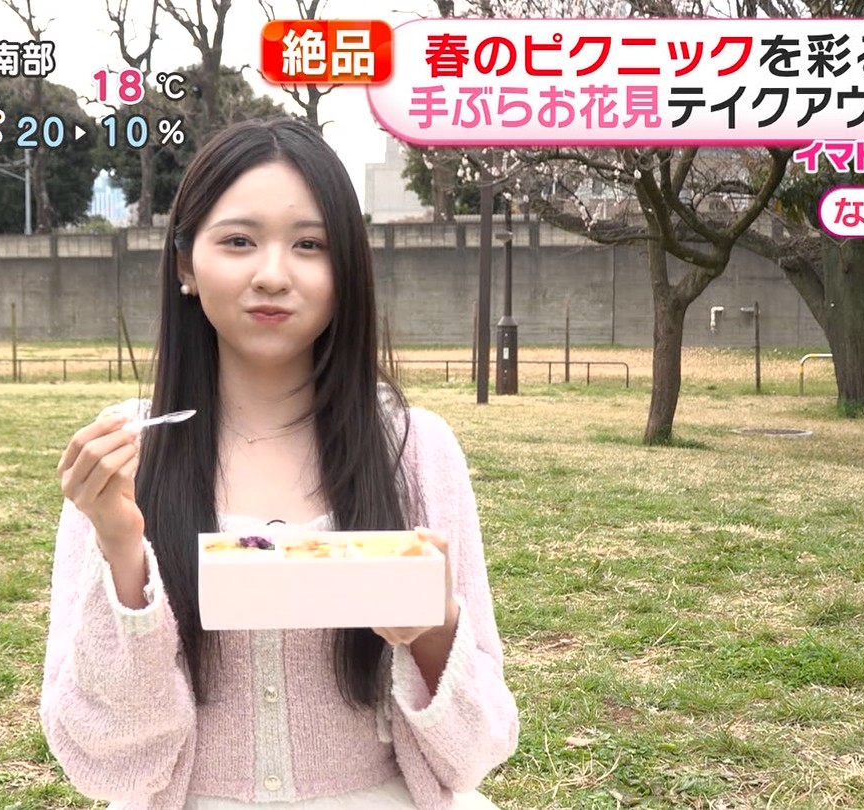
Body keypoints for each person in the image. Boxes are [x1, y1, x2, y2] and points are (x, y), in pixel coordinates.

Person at [42, 118, 519, 810]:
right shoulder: (122, 457)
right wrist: (122, 553)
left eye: (309, 245)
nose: (272, 275)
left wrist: (433, 624)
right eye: (238, 241)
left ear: (346, 269)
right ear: (185, 265)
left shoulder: (416, 449)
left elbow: (477, 752)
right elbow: (104, 762)